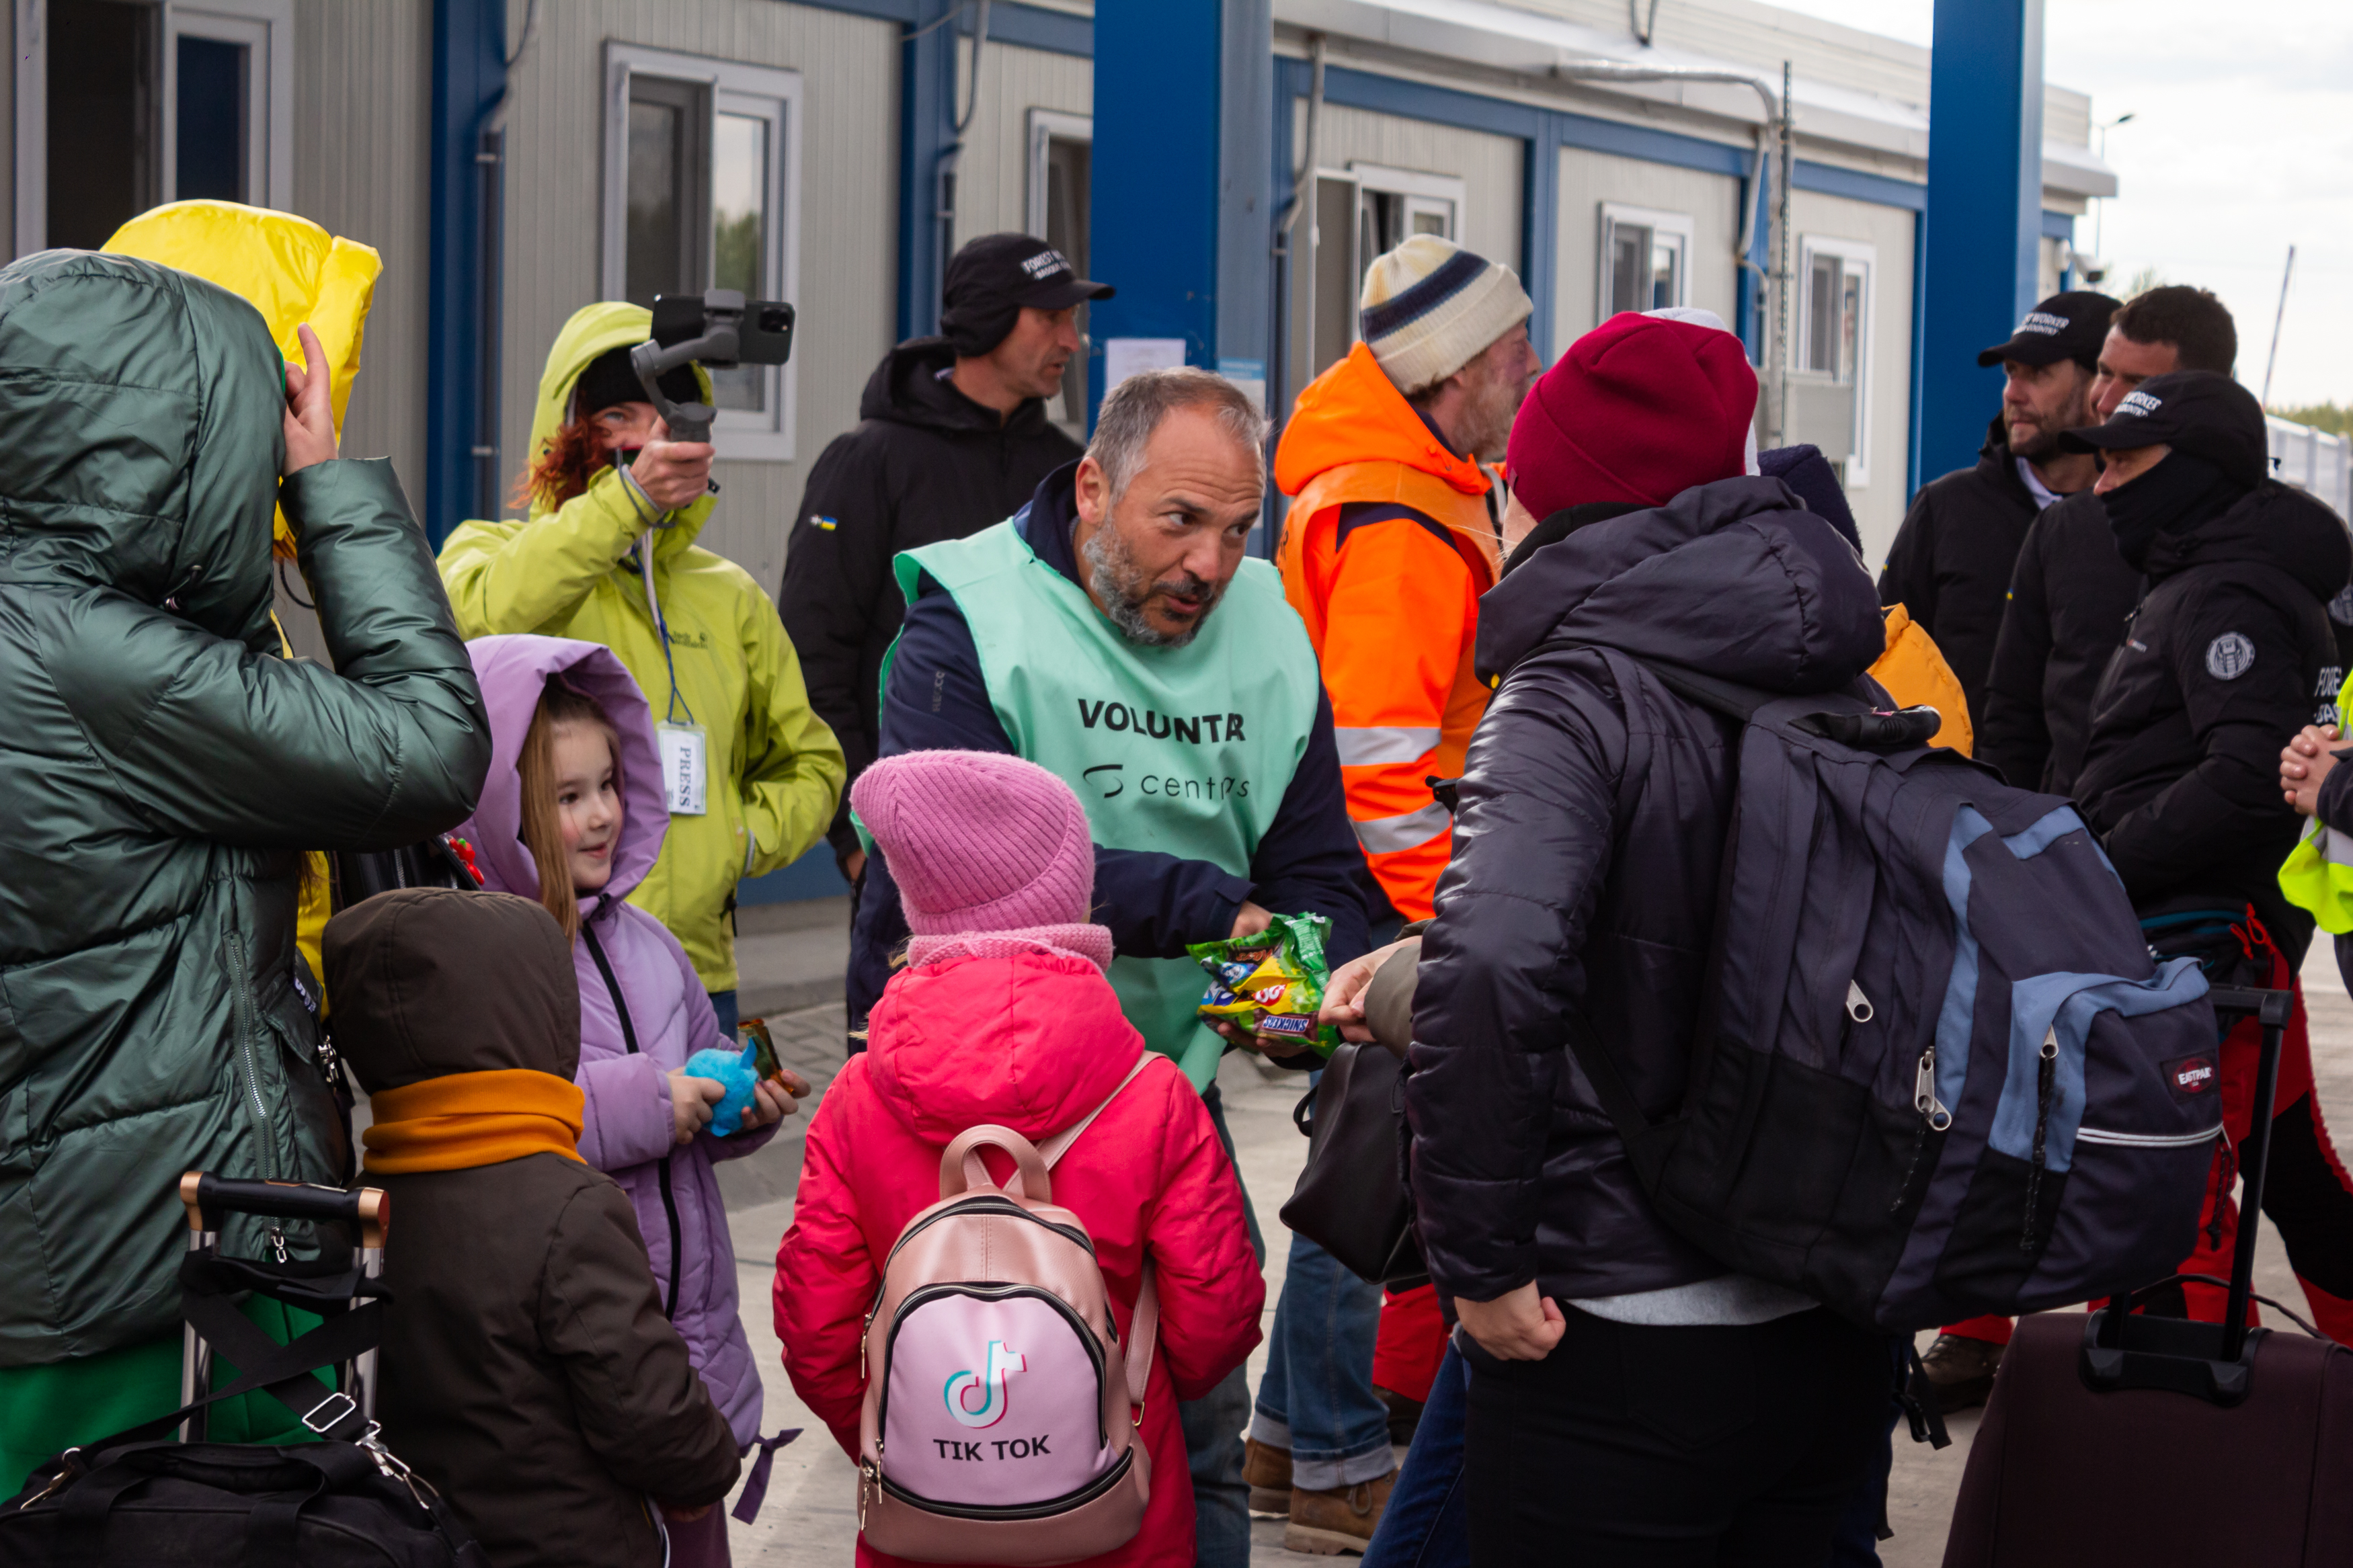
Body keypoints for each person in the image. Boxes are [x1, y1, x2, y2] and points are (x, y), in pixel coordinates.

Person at [847, 366, 1370, 1564]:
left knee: (1199, 1412)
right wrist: (1210, 914)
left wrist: (1282, 1004)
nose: (1209, 564)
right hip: (976, 1098)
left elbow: (1319, 879)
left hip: (1158, 1092)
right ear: (1093, 486)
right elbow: (959, 855)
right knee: (973, 1440)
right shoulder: (972, 613)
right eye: (1177, 521)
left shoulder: (1273, 632)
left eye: (1239, 531)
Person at [1405, 311, 1894, 1564]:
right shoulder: (1846, 676)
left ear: (1554, 493)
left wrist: (1483, 1265)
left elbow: (1500, 961)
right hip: (1825, 1302)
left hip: (1621, 1324)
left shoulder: (1569, 692)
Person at [0, 255, 491, 1494]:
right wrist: (329, 485)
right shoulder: (98, 663)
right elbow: (430, 746)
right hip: (150, 1272)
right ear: (172, 448)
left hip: (50, 1242)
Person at [775, 749, 1264, 1568]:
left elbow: (813, 1326)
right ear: (1071, 896)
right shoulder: (1152, 1093)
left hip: (923, 1523)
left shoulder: (858, 1098)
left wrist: (914, 1434)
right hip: (1115, 1514)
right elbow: (1216, 1318)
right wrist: (1119, 1405)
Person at [454, 633, 808, 1565]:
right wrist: (655, 1102)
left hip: (686, 1343)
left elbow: (697, 1078)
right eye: (568, 798)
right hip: (583, 1353)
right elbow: (507, 1125)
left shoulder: (652, 942)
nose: (603, 814)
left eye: (610, 784)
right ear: (508, 811)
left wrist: (737, 1105)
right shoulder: (490, 958)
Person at [439, 302, 846, 1036]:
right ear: (564, 430)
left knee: (687, 1149)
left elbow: (813, 765)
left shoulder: (731, 599)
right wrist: (623, 504)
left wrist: (738, 839)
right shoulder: (483, 552)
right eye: (620, 415)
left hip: (692, 971)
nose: (648, 438)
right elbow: (489, 619)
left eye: (668, 414)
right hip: (534, 961)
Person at [2057, 370, 2353, 1346]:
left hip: (2200, 949)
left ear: (2193, 476)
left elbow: (2241, 777)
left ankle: (2171, 1429)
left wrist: (2098, 868)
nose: (2105, 486)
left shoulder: (2229, 592)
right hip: (2219, 941)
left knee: (2167, 1177)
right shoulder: (2211, 576)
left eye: (2127, 465)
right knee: (2297, 1175)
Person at [325, 887, 743, 1568]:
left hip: (413, 1536)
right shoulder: (567, 1203)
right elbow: (642, 1397)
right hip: (570, 1542)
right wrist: (702, 1468)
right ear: (542, 1014)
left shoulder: (364, 1201)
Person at [782, 233, 1111, 883]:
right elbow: (812, 654)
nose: (1073, 342)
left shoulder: (1067, 471)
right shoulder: (869, 462)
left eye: (1071, 320)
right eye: (1050, 319)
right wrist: (856, 839)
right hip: (908, 855)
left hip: (1054, 851)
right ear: (987, 322)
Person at [1273, 235, 1538, 925]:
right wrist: (1452, 918)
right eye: (1514, 349)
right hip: (1396, 896)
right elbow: (1380, 773)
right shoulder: (1397, 527)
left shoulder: (1423, 480)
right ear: (1456, 369)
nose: (1532, 367)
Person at [1980, 286, 2242, 796]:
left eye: (2139, 383)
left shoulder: (2276, 537)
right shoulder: (2063, 531)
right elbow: (2013, 721)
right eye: (2104, 372)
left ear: (2209, 391)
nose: (2105, 400)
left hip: (2205, 868)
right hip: (2066, 854)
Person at [1877, 290, 2118, 733]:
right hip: (1960, 793)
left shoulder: (2135, 524)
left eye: (2038, 374)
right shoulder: (1946, 508)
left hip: (2089, 796)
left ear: (2098, 389)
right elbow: (1879, 657)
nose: (2013, 392)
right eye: (2011, 373)